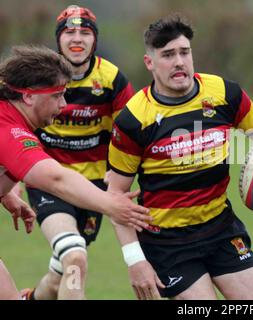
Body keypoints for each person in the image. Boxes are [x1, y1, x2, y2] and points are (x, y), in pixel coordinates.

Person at [107, 15, 253, 300]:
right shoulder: (133, 119)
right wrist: (135, 260)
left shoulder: (224, 94)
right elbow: (115, 196)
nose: (179, 61)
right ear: (149, 63)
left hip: (221, 229)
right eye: (167, 55)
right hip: (168, 244)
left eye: (184, 52)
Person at [0, 44, 151, 300]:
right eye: (57, 95)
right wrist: (112, 204)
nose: (64, 104)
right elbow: (56, 178)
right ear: (28, 96)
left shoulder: (14, 119)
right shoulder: (9, 128)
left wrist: (6, 195)